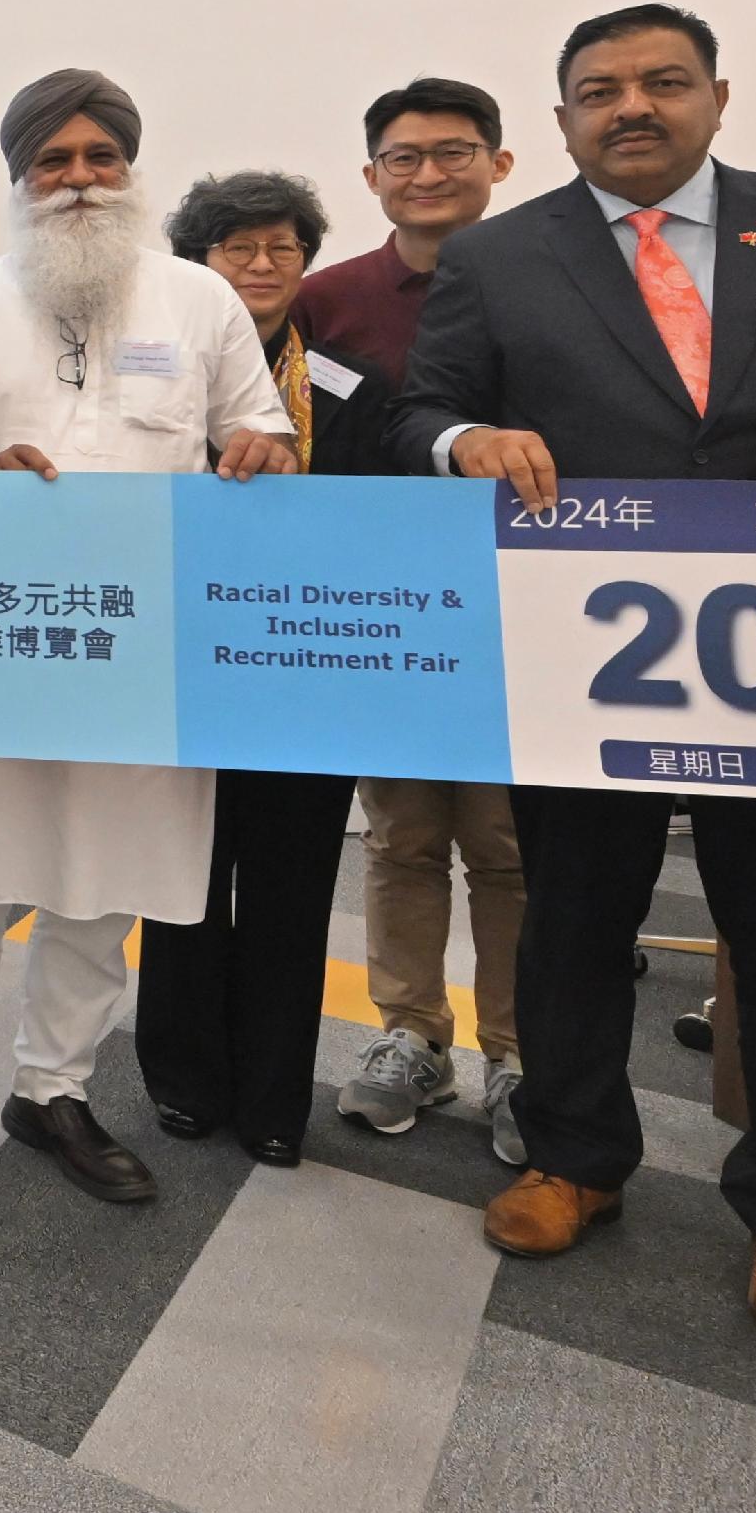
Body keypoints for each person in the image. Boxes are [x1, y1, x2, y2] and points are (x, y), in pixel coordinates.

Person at [390, 3, 756, 1350]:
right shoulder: (496, 254)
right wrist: (468, 438)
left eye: (664, 81)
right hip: (580, 653)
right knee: (575, 919)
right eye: (600, 90)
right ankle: (575, 1157)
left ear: (718, 94)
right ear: (560, 122)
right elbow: (421, 411)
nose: (633, 106)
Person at [0, 71, 299, 1208]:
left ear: (130, 168)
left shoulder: (202, 301)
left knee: (101, 887)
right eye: (51, 162)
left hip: (147, 648)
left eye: (98, 159)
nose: (77, 181)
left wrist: (263, 452)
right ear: (18, 178)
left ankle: (51, 1089)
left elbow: (259, 432)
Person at [299, 77, 528, 1159]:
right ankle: (410, 1036)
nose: (427, 174)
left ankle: (520, 1053)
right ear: (370, 176)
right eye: (403, 158)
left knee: (507, 844)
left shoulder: (551, 283)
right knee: (399, 835)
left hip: (518, 610)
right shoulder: (328, 299)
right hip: (378, 609)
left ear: (500, 162)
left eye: (453, 153)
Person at [131, 171, 372, 1169]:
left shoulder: (355, 385)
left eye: (281, 248)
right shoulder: (152, 379)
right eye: (238, 248)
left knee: (291, 884)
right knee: (181, 872)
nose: (262, 265)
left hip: (309, 672)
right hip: (182, 661)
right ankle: (183, 1079)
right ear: (201, 263)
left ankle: (274, 1097)